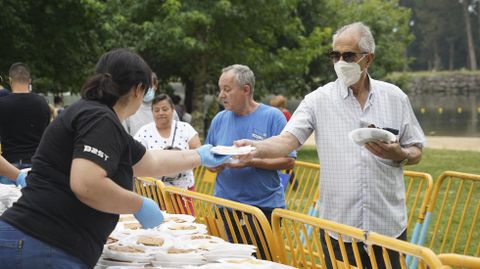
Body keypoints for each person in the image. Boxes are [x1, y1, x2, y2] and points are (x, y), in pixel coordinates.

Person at [0, 48, 231, 269]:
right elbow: (87, 183)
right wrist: (137, 204)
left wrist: (198, 155)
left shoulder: (101, 118)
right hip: (42, 244)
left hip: (41, 242)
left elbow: (150, 162)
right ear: (138, 89)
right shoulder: (99, 118)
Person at [236, 22, 425, 269]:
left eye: (348, 55)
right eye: (335, 55)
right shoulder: (317, 100)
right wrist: (254, 147)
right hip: (339, 228)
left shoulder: (395, 97)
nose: (340, 62)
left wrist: (400, 152)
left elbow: (417, 150)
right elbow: (286, 140)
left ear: (368, 59)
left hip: (387, 226)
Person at [205, 64, 296, 259]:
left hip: (263, 208)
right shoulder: (219, 119)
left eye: (227, 89)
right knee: (230, 261)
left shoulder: (273, 117)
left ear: (246, 90)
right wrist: (215, 164)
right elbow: (209, 158)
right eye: (220, 89)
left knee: (261, 261)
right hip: (226, 206)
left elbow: (288, 160)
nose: (221, 95)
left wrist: (251, 161)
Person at [134, 93, 201, 212]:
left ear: (173, 110)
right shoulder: (144, 132)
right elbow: (135, 158)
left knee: (184, 224)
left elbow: (198, 153)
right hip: (153, 191)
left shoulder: (185, 128)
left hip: (182, 190)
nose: (161, 113)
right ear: (152, 112)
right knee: (157, 226)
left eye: (165, 109)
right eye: (156, 110)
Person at [0, 62, 50, 185]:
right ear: (30, 80)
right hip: (35, 165)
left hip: (8, 166)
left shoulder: (2, 104)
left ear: (10, 80)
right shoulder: (42, 103)